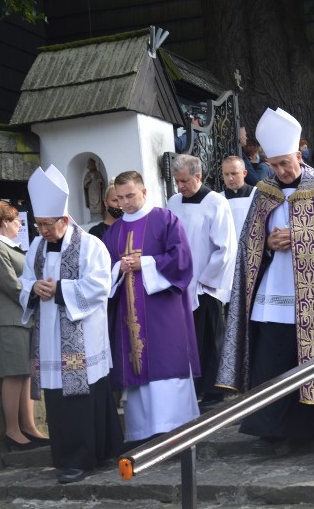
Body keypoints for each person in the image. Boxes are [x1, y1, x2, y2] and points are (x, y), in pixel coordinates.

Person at [217, 107, 314, 450]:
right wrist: (269, 245)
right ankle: (269, 429)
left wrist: (303, 239)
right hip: (273, 291)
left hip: (313, 295)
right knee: (270, 357)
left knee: (303, 359)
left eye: (285, 163)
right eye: (274, 165)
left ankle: (305, 431)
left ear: (299, 155)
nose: (280, 171)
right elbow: (248, 243)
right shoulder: (264, 191)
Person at [19, 165, 122, 484]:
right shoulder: (35, 246)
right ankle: (68, 457)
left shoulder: (90, 245)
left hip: (83, 336)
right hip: (48, 339)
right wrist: (33, 290)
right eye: (38, 224)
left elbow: (100, 285)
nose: (42, 230)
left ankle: (86, 456)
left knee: (83, 396)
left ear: (64, 220)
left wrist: (61, 290)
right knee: (58, 397)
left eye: (47, 224)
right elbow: (24, 281)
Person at [103, 170, 201, 445]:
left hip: (162, 309)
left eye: (130, 196)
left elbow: (181, 259)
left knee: (166, 358)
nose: (125, 203)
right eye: (119, 198)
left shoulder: (165, 219)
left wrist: (145, 263)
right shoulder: (113, 232)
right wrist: (118, 268)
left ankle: (177, 425)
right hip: (129, 311)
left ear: (144, 192)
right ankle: (143, 431)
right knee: (137, 363)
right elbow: (102, 272)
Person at [167, 155, 237, 407]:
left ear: (198, 176)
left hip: (206, 284)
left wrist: (206, 281)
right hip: (180, 284)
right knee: (186, 339)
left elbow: (226, 247)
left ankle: (214, 390)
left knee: (210, 337)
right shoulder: (173, 202)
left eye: (184, 180)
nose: (180, 187)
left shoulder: (216, 202)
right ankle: (191, 386)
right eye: (177, 181)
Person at [0, 201, 48, 452]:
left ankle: (29, 426)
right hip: (7, 317)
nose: (20, 225)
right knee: (13, 373)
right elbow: (9, 283)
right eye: (17, 221)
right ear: (4, 223)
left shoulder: (11, 247)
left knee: (25, 372)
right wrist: (37, 292)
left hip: (21, 315)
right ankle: (13, 430)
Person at [221, 155, 256, 239]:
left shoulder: (257, 195)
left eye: (234, 173)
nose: (230, 178)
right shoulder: (219, 198)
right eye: (226, 174)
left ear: (244, 173)